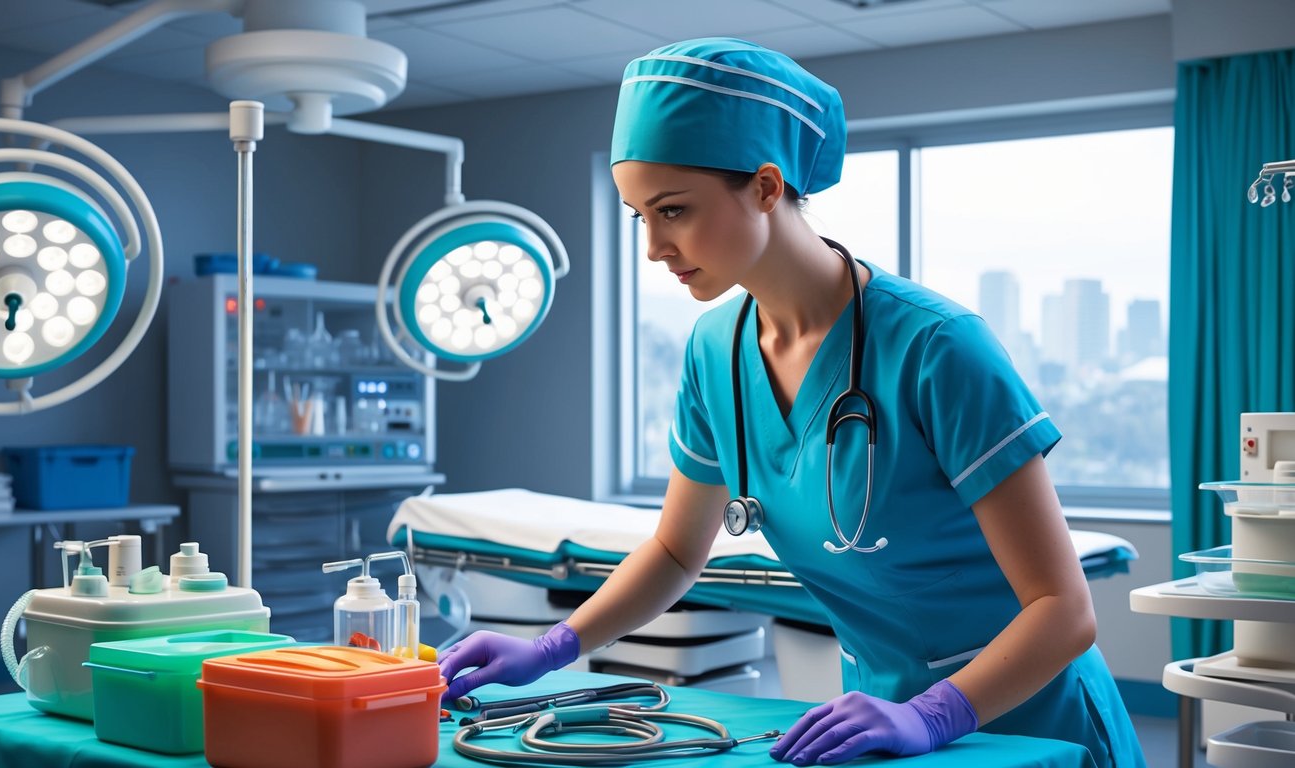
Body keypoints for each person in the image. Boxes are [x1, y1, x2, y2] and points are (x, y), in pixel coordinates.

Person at [437, 38, 1145, 767]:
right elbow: (679, 550)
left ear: (767, 187)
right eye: (637, 216)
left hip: (1027, 721)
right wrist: (552, 648)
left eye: (673, 210)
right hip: (867, 721)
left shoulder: (937, 346)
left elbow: (1063, 612)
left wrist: (935, 716)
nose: (653, 246)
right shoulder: (714, 350)